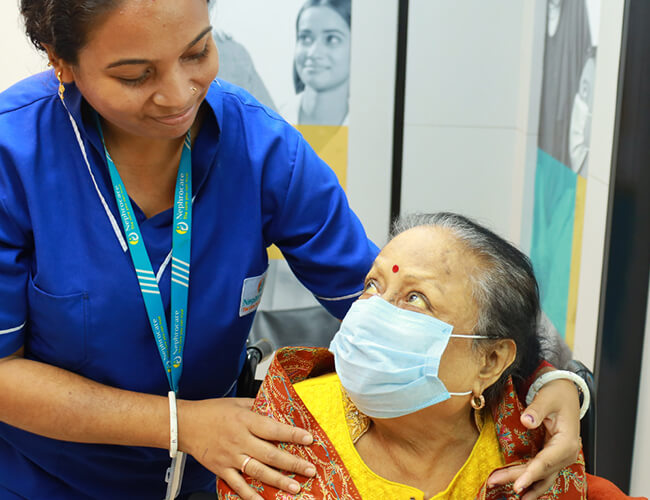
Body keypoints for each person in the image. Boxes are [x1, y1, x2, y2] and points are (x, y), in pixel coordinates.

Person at [0, 1, 583, 499]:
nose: (179, 95)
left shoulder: (261, 151)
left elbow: (378, 300)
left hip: (223, 475)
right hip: (47, 480)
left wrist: (551, 376)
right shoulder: (14, 156)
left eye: (197, 52)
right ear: (61, 62)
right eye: (134, 75)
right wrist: (182, 425)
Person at [218, 213, 642, 500]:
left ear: (490, 362)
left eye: (416, 299)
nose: (373, 311)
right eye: (372, 285)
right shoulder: (279, 443)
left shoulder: (531, 457)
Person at [280, 0, 351, 125]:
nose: (313, 53)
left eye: (332, 39)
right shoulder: (274, 119)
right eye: (305, 38)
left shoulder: (374, 126)